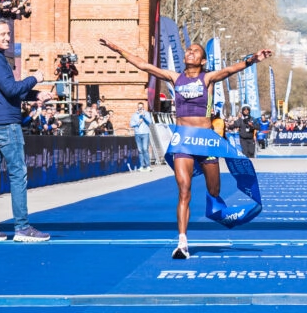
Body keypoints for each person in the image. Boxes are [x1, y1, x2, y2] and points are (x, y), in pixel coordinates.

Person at [101, 37, 271, 259]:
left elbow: (230, 69)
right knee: (184, 190)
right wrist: (117, 48)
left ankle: (217, 210)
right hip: (182, 140)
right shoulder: (175, 78)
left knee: (214, 191)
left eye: (195, 51)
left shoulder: (207, 78)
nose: (189, 52)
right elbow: (144, 66)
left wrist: (253, 60)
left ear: (202, 60)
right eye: (188, 50)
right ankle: (182, 242)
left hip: (206, 141)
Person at [0, 20, 49, 242]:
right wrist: (34, 78)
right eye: (3, 34)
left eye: (9, 34)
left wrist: (36, 95)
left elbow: (7, 91)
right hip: (6, 124)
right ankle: (22, 228)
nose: (7, 37)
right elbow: (10, 88)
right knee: (17, 174)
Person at [131, 101, 155, 169]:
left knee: (145, 149)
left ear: (143, 107)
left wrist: (144, 117)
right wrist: (138, 122)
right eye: (139, 108)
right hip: (137, 134)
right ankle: (142, 165)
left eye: (141, 108)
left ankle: (148, 165)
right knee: (140, 150)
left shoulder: (147, 114)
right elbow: (131, 124)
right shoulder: (134, 115)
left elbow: (150, 122)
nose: (140, 109)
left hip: (145, 133)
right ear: (137, 108)